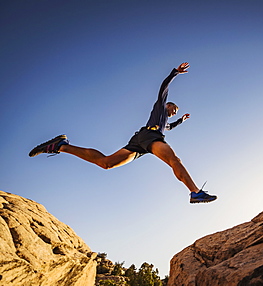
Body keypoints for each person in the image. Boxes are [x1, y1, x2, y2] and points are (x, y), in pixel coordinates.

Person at [29, 62, 217, 204]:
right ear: (168, 105)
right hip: (149, 137)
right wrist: (174, 73)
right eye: (173, 108)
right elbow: (163, 89)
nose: (174, 111)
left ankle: (61, 146)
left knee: (106, 163)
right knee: (174, 160)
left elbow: (169, 127)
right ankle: (195, 192)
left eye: (175, 111)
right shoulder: (160, 107)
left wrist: (181, 121)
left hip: (141, 142)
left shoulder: (163, 122)